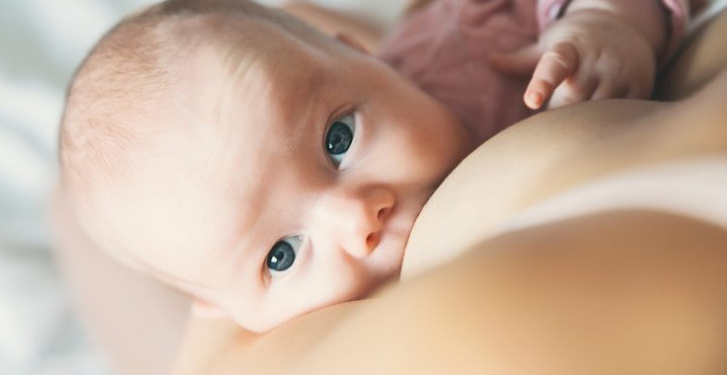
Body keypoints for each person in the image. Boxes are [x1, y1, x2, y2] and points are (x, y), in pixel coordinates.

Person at [56, 0, 693, 335]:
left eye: (338, 138)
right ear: (219, 309)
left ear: (367, 60)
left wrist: (604, 23)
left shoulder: (479, 48)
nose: (355, 218)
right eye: (281, 254)